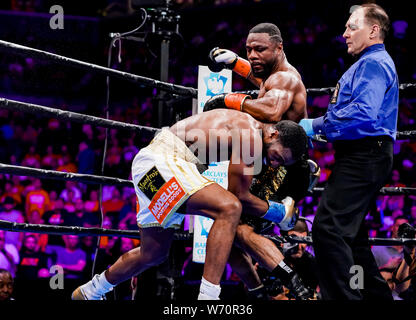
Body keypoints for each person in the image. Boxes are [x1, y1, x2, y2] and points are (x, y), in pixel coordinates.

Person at [72, 108, 308, 300]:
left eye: (280, 163)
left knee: (153, 253)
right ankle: (208, 298)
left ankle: (92, 290)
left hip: (151, 168)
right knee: (230, 207)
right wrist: (280, 212)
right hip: (165, 162)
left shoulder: (248, 127)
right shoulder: (252, 136)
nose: (275, 164)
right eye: (278, 156)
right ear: (274, 135)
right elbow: (240, 197)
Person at [205, 22, 317, 299]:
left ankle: (290, 279)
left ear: (279, 48)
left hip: (281, 165)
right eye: (249, 49)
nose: (253, 55)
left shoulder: (286, 79)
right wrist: (235, 63)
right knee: (224, 231)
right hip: (273, 163)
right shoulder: (276, 77)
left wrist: (227, 99)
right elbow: (263, 83)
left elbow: (271, 107)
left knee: (234, 223)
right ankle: (261, 290)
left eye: (260, 49)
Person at [299, 4, 398, 300]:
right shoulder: (370, 63)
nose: (345, 34)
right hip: (364, 156)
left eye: (352, 27)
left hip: (363, 155)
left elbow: (364, 114)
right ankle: (375, 297)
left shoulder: (373, 64)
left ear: (373, 30)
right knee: (351, 237)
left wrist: (316, 125)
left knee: (328, 230)